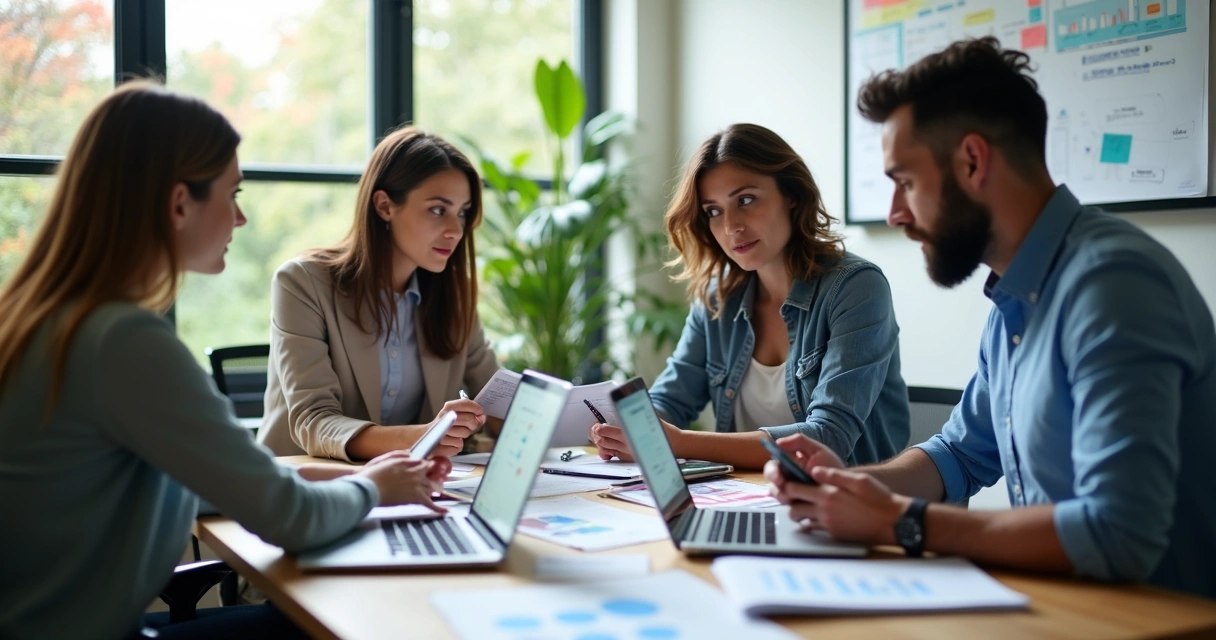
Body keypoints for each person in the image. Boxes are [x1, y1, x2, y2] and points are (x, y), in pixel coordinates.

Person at [765, 37, 1216, 599]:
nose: (895, 213)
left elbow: (1118, 532)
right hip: (1065, 608)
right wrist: (843, 485)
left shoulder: (1113, 286)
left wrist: (900, 522)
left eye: (905, 182)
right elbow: (958, 454)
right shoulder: (1016, 298)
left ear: (973, 162)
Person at [0, 81, 451, 640]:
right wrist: (374, 489)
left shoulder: (50, 320)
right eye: (232, 194)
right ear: (179, 203)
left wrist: (351, 474)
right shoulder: (124, 342)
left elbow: (213, 477)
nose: (240, 219)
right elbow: (291, 518)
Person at [591, 123, 910, 469]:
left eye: (745, 200)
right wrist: (626, 429)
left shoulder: (855, 287)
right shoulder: (717, 298)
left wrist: (679, 442)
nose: (731, 227)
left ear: (791, 195)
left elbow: (828, 436)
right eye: (713, 211)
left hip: (845, 496)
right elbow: (670, 400)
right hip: (746, 493)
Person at [257, 127, 499, 462]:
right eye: (438, 210)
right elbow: (314, 422)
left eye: (462, 212)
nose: (456, 231)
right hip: (308, 483)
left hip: (411, 484)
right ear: (385, 206)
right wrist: (425, 436)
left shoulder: (452, 301)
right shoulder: (302, 283)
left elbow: (498, 402)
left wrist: (566, 420)